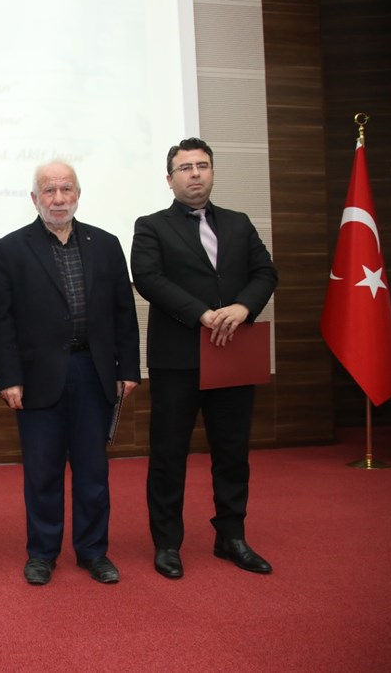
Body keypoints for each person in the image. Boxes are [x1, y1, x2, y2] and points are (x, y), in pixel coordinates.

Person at [131, 137, 278, 579]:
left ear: (212, 171)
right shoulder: (151, 226)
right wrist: (202, 313)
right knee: (169, 454)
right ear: (170, 179)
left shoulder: (238, 222)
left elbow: (265, 272)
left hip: (233, 354)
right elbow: (148, 278)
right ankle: (167, 543)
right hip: (178, 359)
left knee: (232, 452)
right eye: (185, 168)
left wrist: (243, 307)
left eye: (202, 166)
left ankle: (231, 536)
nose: (195, 174)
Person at [0, 160, 140, 586]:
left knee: (93, 471)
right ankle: (42, 553)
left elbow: (123, 313)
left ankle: (93, 551)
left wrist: (129, 368)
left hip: (94, 372)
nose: (58, 199)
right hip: (37, 378)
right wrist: (8, 378)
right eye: (49, 191)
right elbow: (0, 320)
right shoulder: (10, 248)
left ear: (77, 194)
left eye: (66, 189)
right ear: (34, 198)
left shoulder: (106, 244)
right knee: (42, 472)